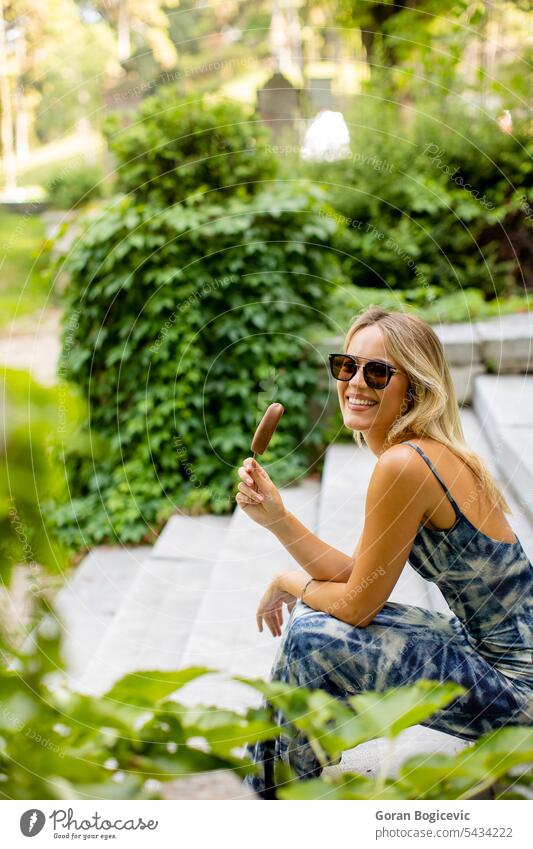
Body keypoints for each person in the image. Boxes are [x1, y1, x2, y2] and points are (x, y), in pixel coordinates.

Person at [234, 307, 533, 798]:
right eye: (346, 366)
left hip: (517, 690)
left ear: (413, 386)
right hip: (484, 652)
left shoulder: (405, 464)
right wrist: (278, 520)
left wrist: (290, 582)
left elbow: (357, 604)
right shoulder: (421, 454)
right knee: (314, 626)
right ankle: (276, 787)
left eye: (376, 372)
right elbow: (363, 575)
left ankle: (271, 797)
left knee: (312, 635)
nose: (355, 382)